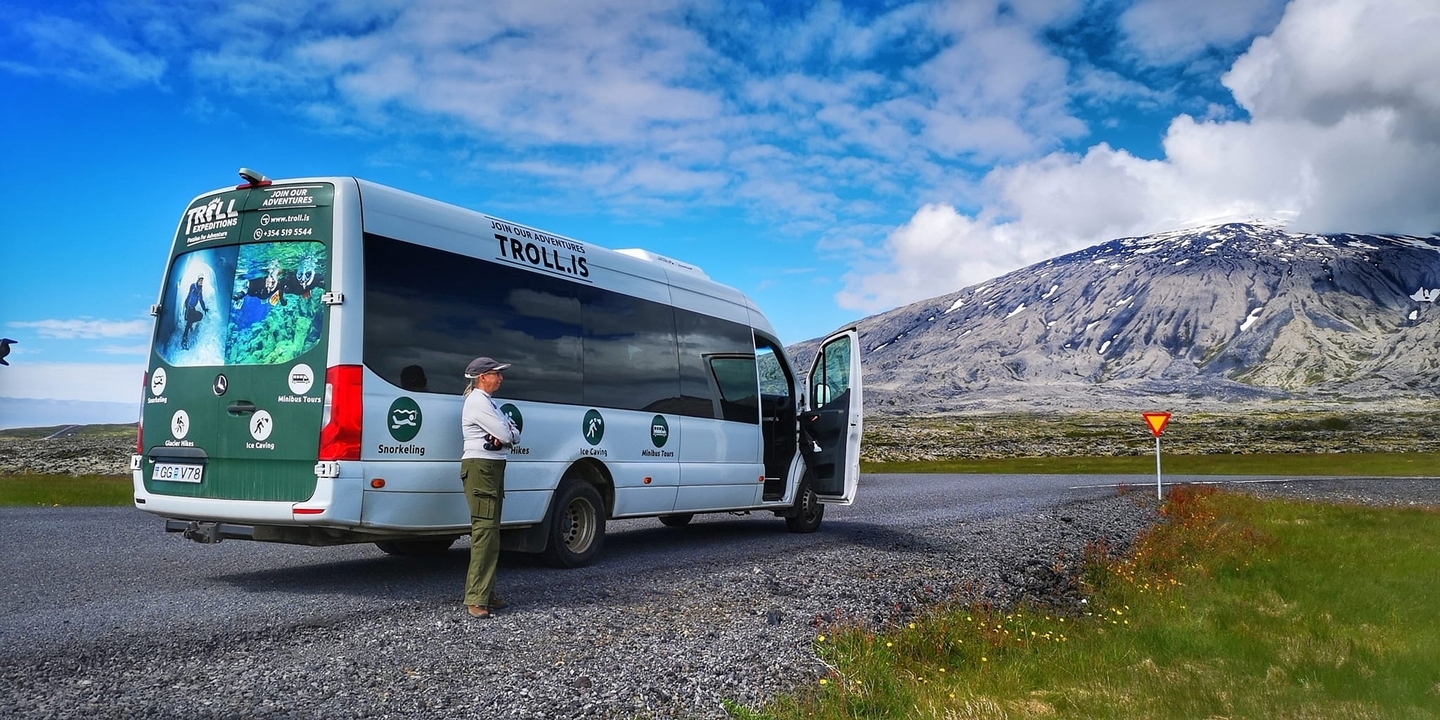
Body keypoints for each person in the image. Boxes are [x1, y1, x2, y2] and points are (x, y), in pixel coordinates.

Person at [460, 356, 519, 619]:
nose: (501, 378)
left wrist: (507, 434)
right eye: (496, 373)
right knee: (484, 532)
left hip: (492, 466)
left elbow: (514, 433)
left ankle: (486, 591)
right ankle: (476, 598)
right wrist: (506, 434)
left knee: (492, 533)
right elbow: (508, 435)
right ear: (483, 377)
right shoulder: (477, 402)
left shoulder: (489, 402)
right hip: (481, 466)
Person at [180, 275, 209, 348]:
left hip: (193, 308)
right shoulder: (193, 286)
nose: (201, 282)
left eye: (202, 281)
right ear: (197, 280)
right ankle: (184, 341)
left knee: (200, 316)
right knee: (188, 323)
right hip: (189, 307)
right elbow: (190, 294)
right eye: (200, 280)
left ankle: (190, 324)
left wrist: (204, 308)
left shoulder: (200, 290)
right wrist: (187, 307)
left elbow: (201, 300)